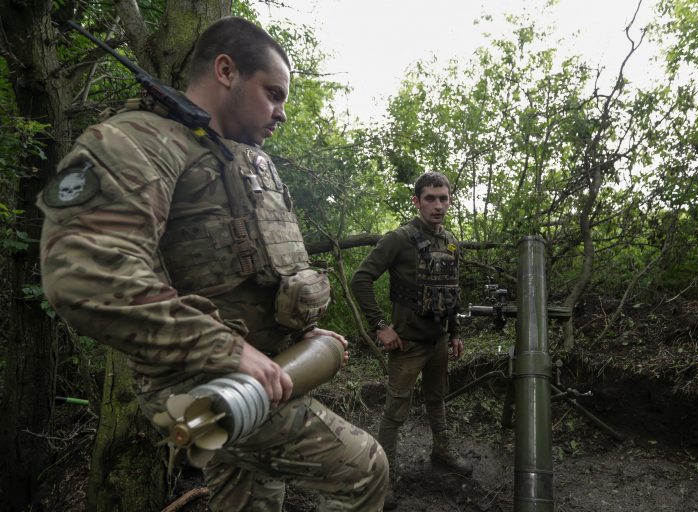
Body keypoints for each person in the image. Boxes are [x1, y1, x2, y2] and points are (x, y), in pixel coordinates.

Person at [37, 16, 387, 512]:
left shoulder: (239, 161)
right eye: (273, 94)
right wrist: (228, 349)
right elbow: (84, 277)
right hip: (202, 390)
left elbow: (252, 273)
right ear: (226, 71)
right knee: (365, 469)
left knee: (252, 500)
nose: (281, 113)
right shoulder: (134, 141)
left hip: (261, 373)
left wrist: (299, 334)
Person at [350, 171, 473, 509]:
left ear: (450, 200)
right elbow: (361, 279)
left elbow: (451, 292)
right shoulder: (399, 239)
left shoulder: (450, 242)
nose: (438, 205)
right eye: (430, 198)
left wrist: (455, 333)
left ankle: (442, 451)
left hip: (438, 341)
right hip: (407, 345)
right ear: (417, 201)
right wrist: (380, 326)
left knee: (437, 398)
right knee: (395, 410)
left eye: (443, 198)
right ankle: (383, 475)